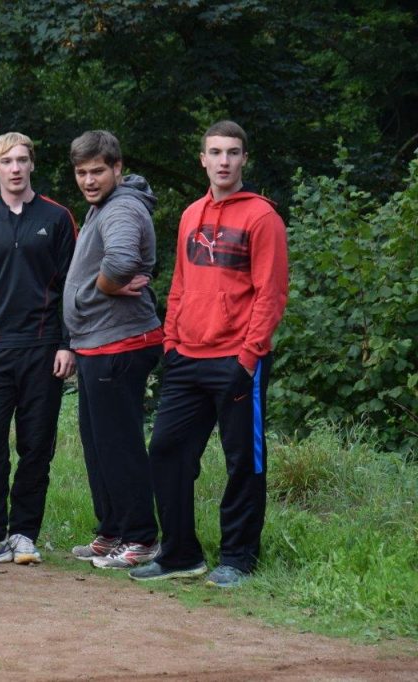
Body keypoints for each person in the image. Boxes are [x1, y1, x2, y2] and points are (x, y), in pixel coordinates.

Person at [129, 120, 288, 588]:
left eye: (232, 153)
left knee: (243, 461)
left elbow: (271, 294)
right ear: (203, 159)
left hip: (239, 359)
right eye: (215, 152)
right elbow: (180, 284)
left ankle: (238, 557)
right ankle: (179, 553)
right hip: (187, 358)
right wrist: (172, 342)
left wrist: (248, 357)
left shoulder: (262, 218)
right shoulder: (190, 214)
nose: (223, 161)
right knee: (166, 451)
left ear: (243, 160)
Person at [0, 132, 78, 567]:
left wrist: (68, 343)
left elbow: (70, 286)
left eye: (23, 160)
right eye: (7, 161)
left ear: (32, 166)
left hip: (44, 349)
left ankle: (23, 533)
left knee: (36, 444)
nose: (16, 168)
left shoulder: (58, 218)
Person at [63, 131, 163, 570]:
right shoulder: (101, 205)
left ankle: (141, 537)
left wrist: (101, 288)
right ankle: (113, 531)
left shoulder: (121, 207)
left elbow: (121, 262)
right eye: (82, 172)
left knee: (118, 443)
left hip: (119, 343)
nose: (88, 179)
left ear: (117, 168)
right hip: (96, 342)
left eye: (98, 171)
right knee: (98, 441)